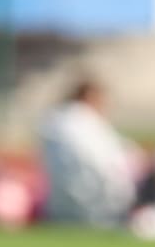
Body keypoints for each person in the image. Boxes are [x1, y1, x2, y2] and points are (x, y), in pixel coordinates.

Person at [36, 74, 138, 229]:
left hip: (59, 208)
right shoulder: (86, 124)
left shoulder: (55, 121)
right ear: (90, 97)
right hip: (97, 208)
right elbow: (105, 165)